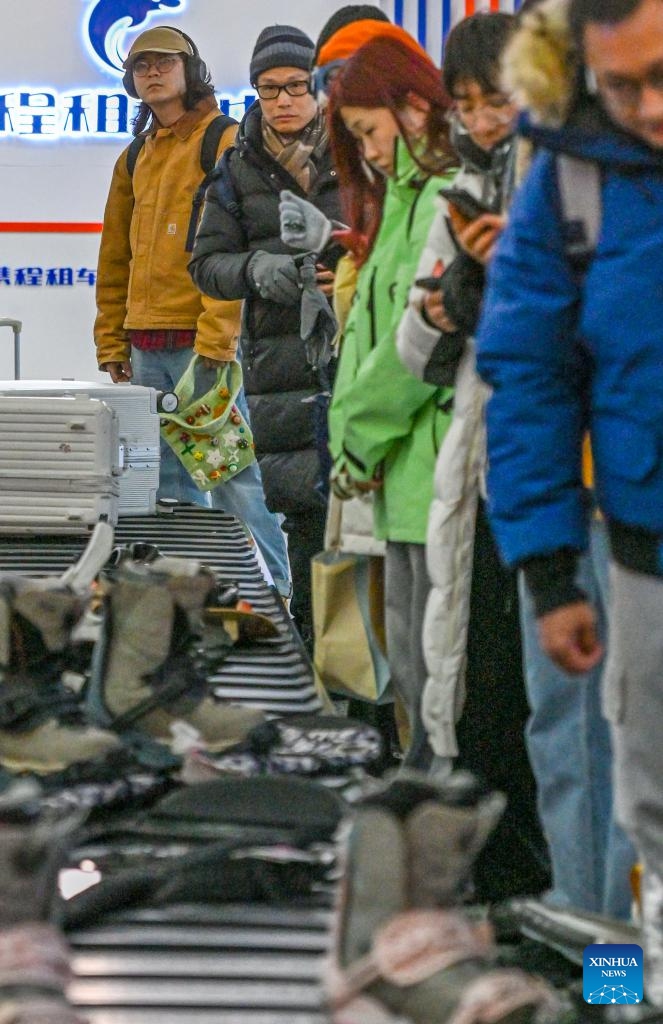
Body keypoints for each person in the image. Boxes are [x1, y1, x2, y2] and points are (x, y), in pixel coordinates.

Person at [475, 0, 663, 1000]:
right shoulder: (573, 174)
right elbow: (530, 372)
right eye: (622, 85)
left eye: (662, 75)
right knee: (628, 808)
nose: (649, 107)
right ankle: (616, 994)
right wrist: (549, 574)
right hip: (630, 555)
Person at [395, 12, 550, 901]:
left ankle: (598, 956)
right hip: (487, 481)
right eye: (467, 104)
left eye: (498, 100)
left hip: (571, 488)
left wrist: (504, 289)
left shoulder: (570, 186)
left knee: (569, 733)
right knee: (484, 704)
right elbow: (414, 350)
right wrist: (449, 306)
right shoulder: (460, 192)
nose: (483, 120)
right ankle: (503, 918)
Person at [94, 25, 291, 600]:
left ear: (191, 70)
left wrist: (217, 340)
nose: (152, 72)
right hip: (145, 348)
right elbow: (115, 255)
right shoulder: (136, 155)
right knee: (167, 486)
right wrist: (112, 341)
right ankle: (188, 600)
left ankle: (276, 597)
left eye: (164, 62)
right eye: (141, 65)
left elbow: (233, 247)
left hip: (202, 346)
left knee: (233, 478)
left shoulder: (223, 140)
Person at [325, 33, 457, 772]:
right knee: (410, 661)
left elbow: (415, 345)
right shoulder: (400, 203)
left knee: (438, 674)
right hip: (400, 472)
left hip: (430, 467)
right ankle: (424, 797)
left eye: (368, 130)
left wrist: (357, 437)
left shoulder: (442, 198)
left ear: (412, 105)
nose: (369, 152)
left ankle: (443, 810)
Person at [189, 25, 342, 650]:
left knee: (369, 526)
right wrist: (259, 269)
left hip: (362, 353)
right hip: (281, 367)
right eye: (268, 88)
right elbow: (206, 262)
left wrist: (351, 270)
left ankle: (372, 684)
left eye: (295, 86)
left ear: (318, 86)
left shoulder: (357, 151)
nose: (282, 100)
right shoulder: (236, 165)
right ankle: (316, 665)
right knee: (304, 523)